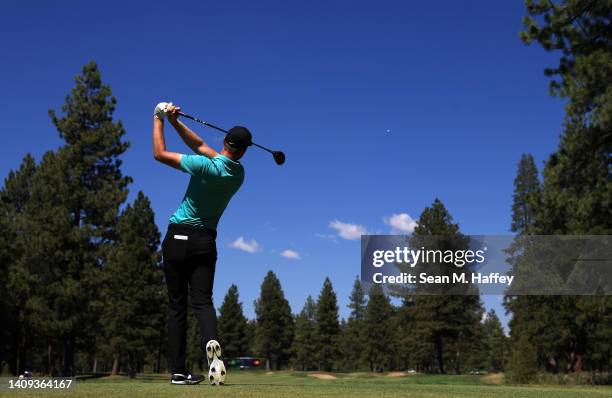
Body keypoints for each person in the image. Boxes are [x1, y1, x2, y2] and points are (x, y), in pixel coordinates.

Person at [152, 102, 251, 385]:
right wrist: (175, 122)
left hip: (177, 238)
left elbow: (159, 154)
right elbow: (200, 145)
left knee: (176, 307)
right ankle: (211, 344)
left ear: (224, 141)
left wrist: (158, 118)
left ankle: (178, 372)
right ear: (242, 151)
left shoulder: (204, 166)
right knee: (203, 302)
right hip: (204, 242)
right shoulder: (237, 174)